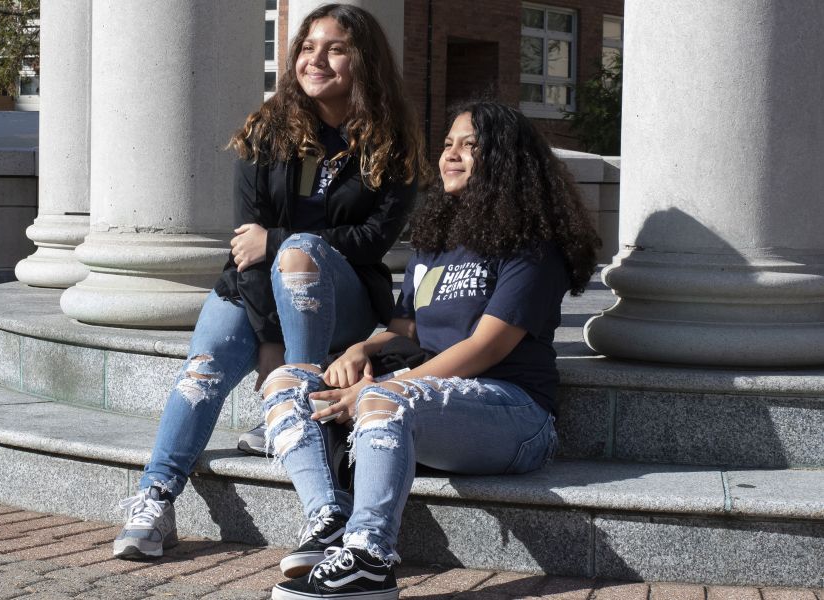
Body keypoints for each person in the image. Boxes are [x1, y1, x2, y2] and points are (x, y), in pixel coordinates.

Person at [112, 4, 428, 560]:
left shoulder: (392, 143)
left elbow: (373, 240)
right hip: (254, 290)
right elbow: (244, 250)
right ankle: (155, 498)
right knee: (202, 371)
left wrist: (282, 243)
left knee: (300, 250)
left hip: (344, 295)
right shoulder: (266, 131)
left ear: (364, 62)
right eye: (307, 47)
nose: (316, 59)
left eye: (334, 48)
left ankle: (292, 408)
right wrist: (270, 343)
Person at [262, 100, 601, 599]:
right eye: (447, 145)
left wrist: (383, 389)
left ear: (507, 161)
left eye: (470, 146)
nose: (451, 155)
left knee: (382, 399)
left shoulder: (532, 245)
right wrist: (363, 347)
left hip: (513, 411)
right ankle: (328, 521)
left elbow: (486, 347)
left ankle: (369, 560)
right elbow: (409, 331)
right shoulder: (436, 241)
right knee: (288, 381)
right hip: (429, 401)